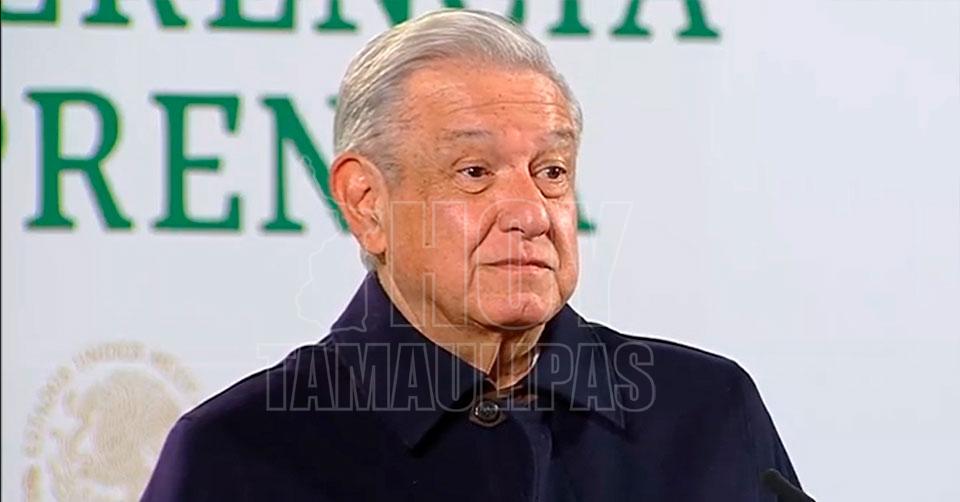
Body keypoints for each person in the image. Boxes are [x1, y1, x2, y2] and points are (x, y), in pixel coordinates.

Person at [143, 9, 801, 502]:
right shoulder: (243, 454)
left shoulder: (706, 413)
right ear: (367, 203)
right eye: (475, 173)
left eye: (551, 172)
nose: (530, 214)